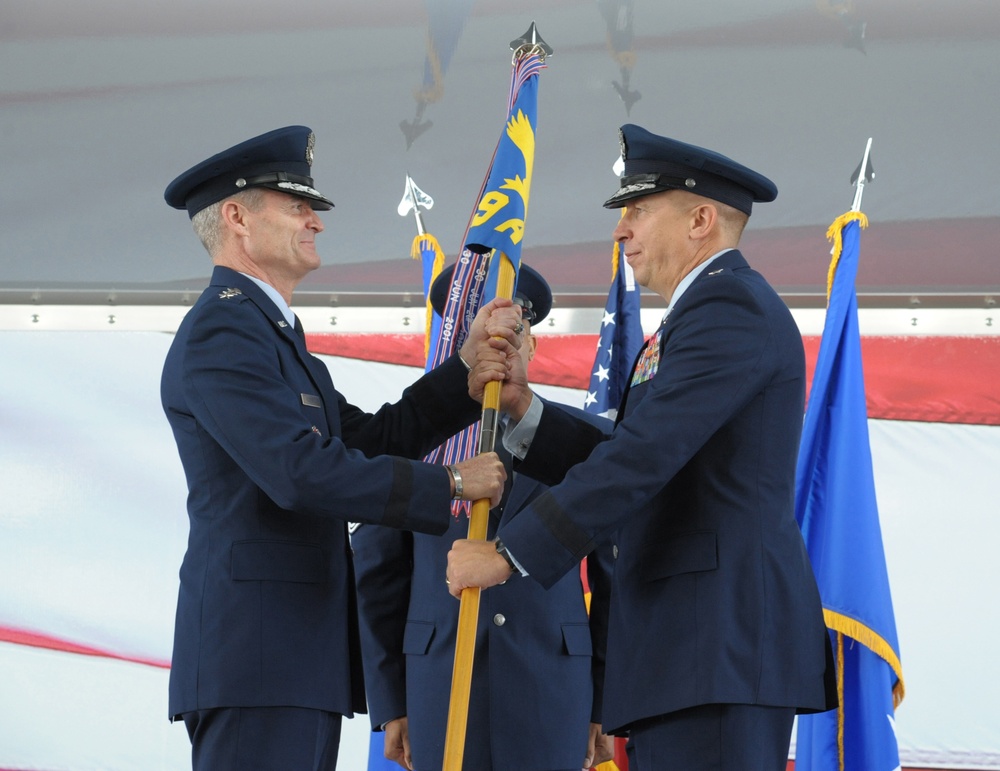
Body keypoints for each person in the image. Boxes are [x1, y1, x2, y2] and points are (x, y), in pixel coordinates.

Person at [448, 124, 838, 770]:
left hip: (717, 647)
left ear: (702, 220)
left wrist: (509, 554)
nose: (620, 231)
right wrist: (524, 408)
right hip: (690, 651)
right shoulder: (707, 311)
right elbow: (636, 448)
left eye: (637, 210)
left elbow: (643, 457)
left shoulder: (728, 311)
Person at [160, 125, 519, 771]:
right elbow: (299, 472)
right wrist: (452, 486)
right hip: (259, 659)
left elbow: (364, 438)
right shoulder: (224, 331)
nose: (316, 223)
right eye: (297, 205)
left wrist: (463, 377)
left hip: (292, 657)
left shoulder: (269, 333)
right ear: (237, 217)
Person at [351, 264, 617, 771]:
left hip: (555, 687)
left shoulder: (587, 442)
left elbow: (615, 574)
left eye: (514, 335)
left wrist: (604, 700)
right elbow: (378, 570)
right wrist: (390, 702)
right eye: (485, 337)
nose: (501, 349)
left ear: (535, 347)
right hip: (438, 685)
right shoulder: (410, 436)